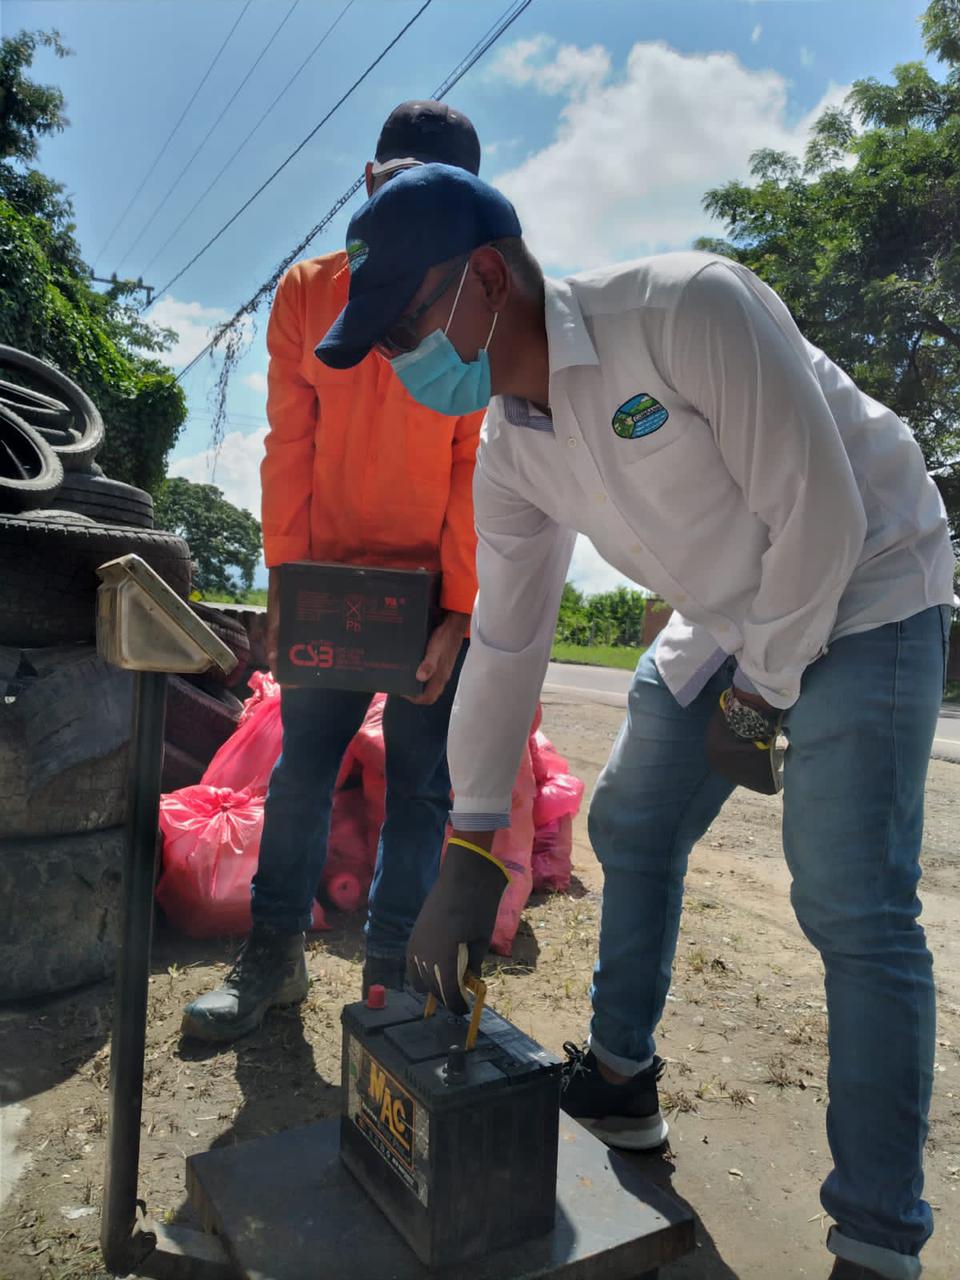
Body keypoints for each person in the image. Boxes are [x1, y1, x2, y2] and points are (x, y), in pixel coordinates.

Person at [314, 164, 955, 1280]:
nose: (395, 361)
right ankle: (619, 1082)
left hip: (864, 580)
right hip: (724, 613)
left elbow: (822, 509)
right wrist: (470, 842)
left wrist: (760, 697)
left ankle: (877, 1236)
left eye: (403, 325)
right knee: (633, 818)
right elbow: (510, 645)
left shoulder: (682, 311)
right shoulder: (514, 454)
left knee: (848, 894)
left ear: (485, 278)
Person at [181, 107, 485, 1044]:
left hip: (434, 593)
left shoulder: (480, 303)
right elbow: (290, 447)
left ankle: (395, 972)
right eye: (395, 188)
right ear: (366, 182)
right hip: (330, 583)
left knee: (423, 787)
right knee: (304, 770)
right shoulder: (309, 294)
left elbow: (480, 460)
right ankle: (275, 959)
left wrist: (462, 611)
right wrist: (285, 580)